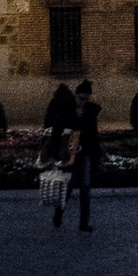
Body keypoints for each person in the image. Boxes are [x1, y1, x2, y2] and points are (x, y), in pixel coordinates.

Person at [56, 80, 102, 233]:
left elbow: (93, 133)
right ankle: (59, 212)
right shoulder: (66, 110)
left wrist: (97, 152)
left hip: (85, 153)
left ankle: (84, 223)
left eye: (86, 96)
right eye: (81, 96)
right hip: (70, 153)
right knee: (67, 187)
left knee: (85, 188)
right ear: (76, 95)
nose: (83, 99)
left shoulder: (91, 112)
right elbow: (60, 131)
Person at [43, 82, 78, 161]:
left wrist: (47, 125)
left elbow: (49, 113)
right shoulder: (71, 99)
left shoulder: (55, 100)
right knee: (65, 142)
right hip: (65, 125)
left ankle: (54, 155)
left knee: (56, 141)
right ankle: (62, 156)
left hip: (57, 125)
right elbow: (73, 113)